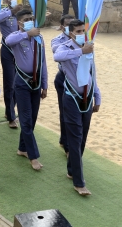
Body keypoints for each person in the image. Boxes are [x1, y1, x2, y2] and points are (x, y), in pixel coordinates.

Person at [54, 19, 101, 196]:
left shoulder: (89, 48)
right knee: (75, 138)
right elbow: (57, 57)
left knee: (82, 139)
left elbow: (92, 73)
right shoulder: (65, 47)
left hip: (87, 98)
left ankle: (71, 169)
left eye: (84, 31)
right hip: (72, 98)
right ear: (71, 33)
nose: (82, 34)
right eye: (79, 31)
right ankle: (79, 182)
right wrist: (81, 51)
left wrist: (97, 96)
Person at [5, 8, 48, 170]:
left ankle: (22, 148)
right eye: (26, 18)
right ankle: (33, 156)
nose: (30, 20)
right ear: (19, 22)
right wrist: (27, 34)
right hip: (22, 82)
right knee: (26, 119)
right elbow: (8, 41)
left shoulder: (39, 38)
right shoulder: (17, 37)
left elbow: (42, 62)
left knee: (33, 118)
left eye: (31, 17)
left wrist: (44, 84)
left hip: (36, 83)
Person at [0, 0, 23, 128]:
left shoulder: (22, 14)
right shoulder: (4, 13)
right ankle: (11, 117)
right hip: (7, 50)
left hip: (20, 52)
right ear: (7, 1)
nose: (14, 0)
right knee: (9, 83)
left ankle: (10, 109)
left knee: (18, 83)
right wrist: (12, 11)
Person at [51, 14, 74, 154]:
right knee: (64, 111)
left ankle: (64, 139)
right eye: (67, 25)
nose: (69, 27)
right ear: (61, 27)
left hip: (76, 79)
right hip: (63, 78)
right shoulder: (57, 41)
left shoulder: (80, 40)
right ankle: (66, 145)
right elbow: (57, 53)